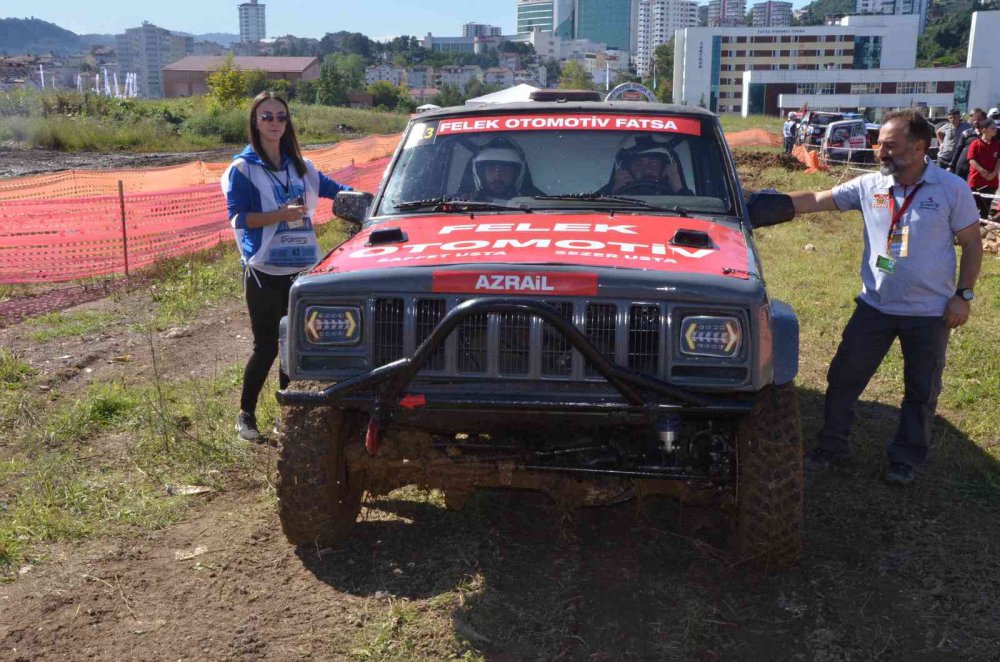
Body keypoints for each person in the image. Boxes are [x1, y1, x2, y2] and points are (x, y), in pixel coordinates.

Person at [785, 109, 983, 486]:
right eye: (879, 144)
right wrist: (759, 203)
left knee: (921, 391)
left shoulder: (950, 189)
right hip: (874, 306)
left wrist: (964, 295)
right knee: (843, 378)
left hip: (929, 314)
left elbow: (973, 245)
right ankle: (831, 448)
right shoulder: (870, 186)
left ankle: (905, 459)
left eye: (890, 145)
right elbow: (814, 197)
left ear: (919, 147)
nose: (880, 151)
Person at [222, 91, 353, 441]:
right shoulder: (242, 169)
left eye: (281, 116)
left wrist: (371, 201)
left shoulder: (302, 167)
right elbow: (238, 218)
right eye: (267, 117)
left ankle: (289, 417)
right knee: (266, 346)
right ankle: (245, 417)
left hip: (302, 271)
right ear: (255, 122)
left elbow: (338, 190)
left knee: (296, 344)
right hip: (265, 271)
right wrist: (280, 215)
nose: (275, 123)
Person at [604, 134, 693, 196]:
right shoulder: (611, 198)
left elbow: (695, 213)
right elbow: (593, 206)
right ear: (626, 170)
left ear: (665, 167)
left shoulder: (681, 200)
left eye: (653, 163)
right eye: (638, 164)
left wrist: (679, 189)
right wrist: (613, 192)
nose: (646, 169)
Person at [470, 138, 543, 201]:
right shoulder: (463, 204)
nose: (497, 174)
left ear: (517, 174)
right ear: (481, 173)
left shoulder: (540, 204)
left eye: (506, 168)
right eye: (491, 168)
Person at [966, 117, 1000, 219]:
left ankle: (982, 229)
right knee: (974, 207)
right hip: (976, 180)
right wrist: (982, 171)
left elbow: (998, 159)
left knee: (986, 209)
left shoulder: (997, 144)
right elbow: (971, 160)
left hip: (991, 182)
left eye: (995, 128)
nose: (995, 130)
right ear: (984, 129)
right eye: (992, 128)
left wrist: (994, 173)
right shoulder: (975, 143)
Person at [948, 107, 987, 179]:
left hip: (980, 171)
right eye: (974, 120)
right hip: (963, 169)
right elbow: (958, 151)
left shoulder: (990, 134)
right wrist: (951, 166)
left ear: (985, 120)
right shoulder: (966, 133)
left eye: (979, 119)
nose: (976, 122)